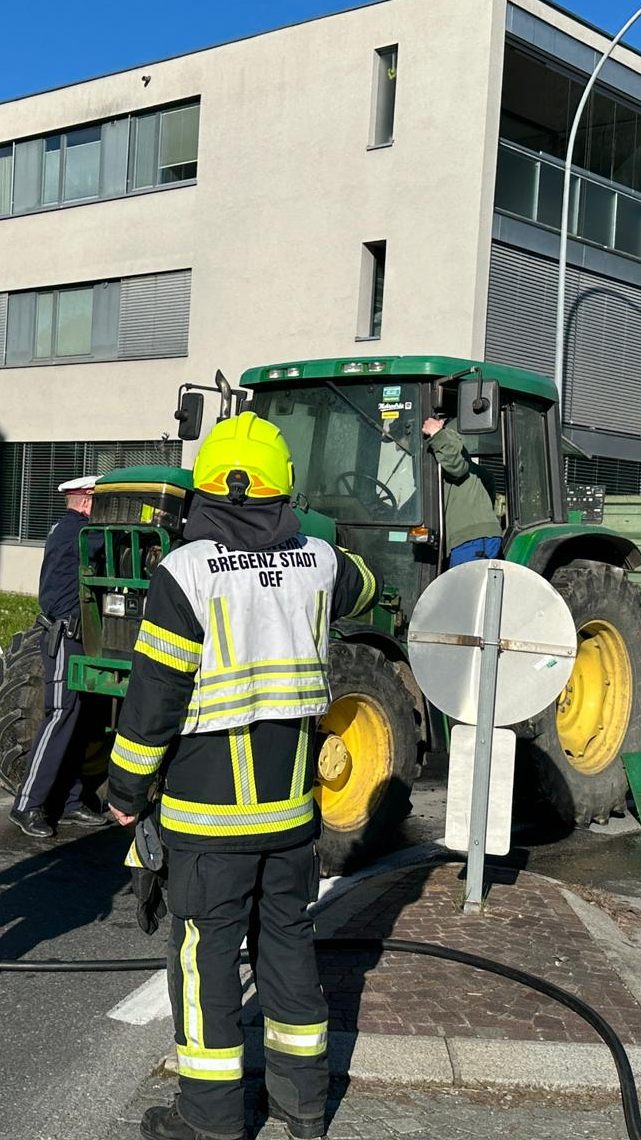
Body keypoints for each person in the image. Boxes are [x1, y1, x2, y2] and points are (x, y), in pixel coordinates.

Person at [108, 411, 381, 1140]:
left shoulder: (184, 573)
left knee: (205, 965)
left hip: (206, 818)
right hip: (289, 815)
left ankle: (210, 1121)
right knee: (287, 947)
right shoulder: (320, 560)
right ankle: (303, 1110)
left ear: (205, 487)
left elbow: (153, 699)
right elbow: (364, 583)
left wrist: (126, 791)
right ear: (282, 486)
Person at [10, 476, 108, 838]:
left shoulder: (66, 530)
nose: (104, 510)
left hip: (78, 635)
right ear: (84, 502)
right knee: (59, 716)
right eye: (101, 502)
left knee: (80, 720)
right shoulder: (82, 534)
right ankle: (26, 805)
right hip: (67, 636)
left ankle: (68, 801)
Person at [422, 416, 502, 566]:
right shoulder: (475, 473)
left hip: (471, 539)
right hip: (473, 537)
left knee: (465, 588)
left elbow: (457, 467)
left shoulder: (446, 437)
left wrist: (437, 433)